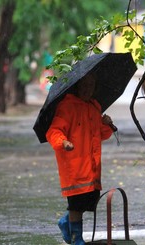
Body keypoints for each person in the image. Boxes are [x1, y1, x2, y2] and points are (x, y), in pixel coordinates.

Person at [46, 73, 114, 245]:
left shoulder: (94, 107)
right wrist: (63, 142)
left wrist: (107, 124)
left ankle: (65, 222)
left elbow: (100, 135)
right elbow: (53, 131)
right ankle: (77, 238)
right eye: (84, 85)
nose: (87, 89)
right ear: (77, 86)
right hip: (74, 165)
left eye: (90, 85)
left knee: (88, 201)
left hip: (92, 165)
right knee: (76, 203)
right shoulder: (67, 107)